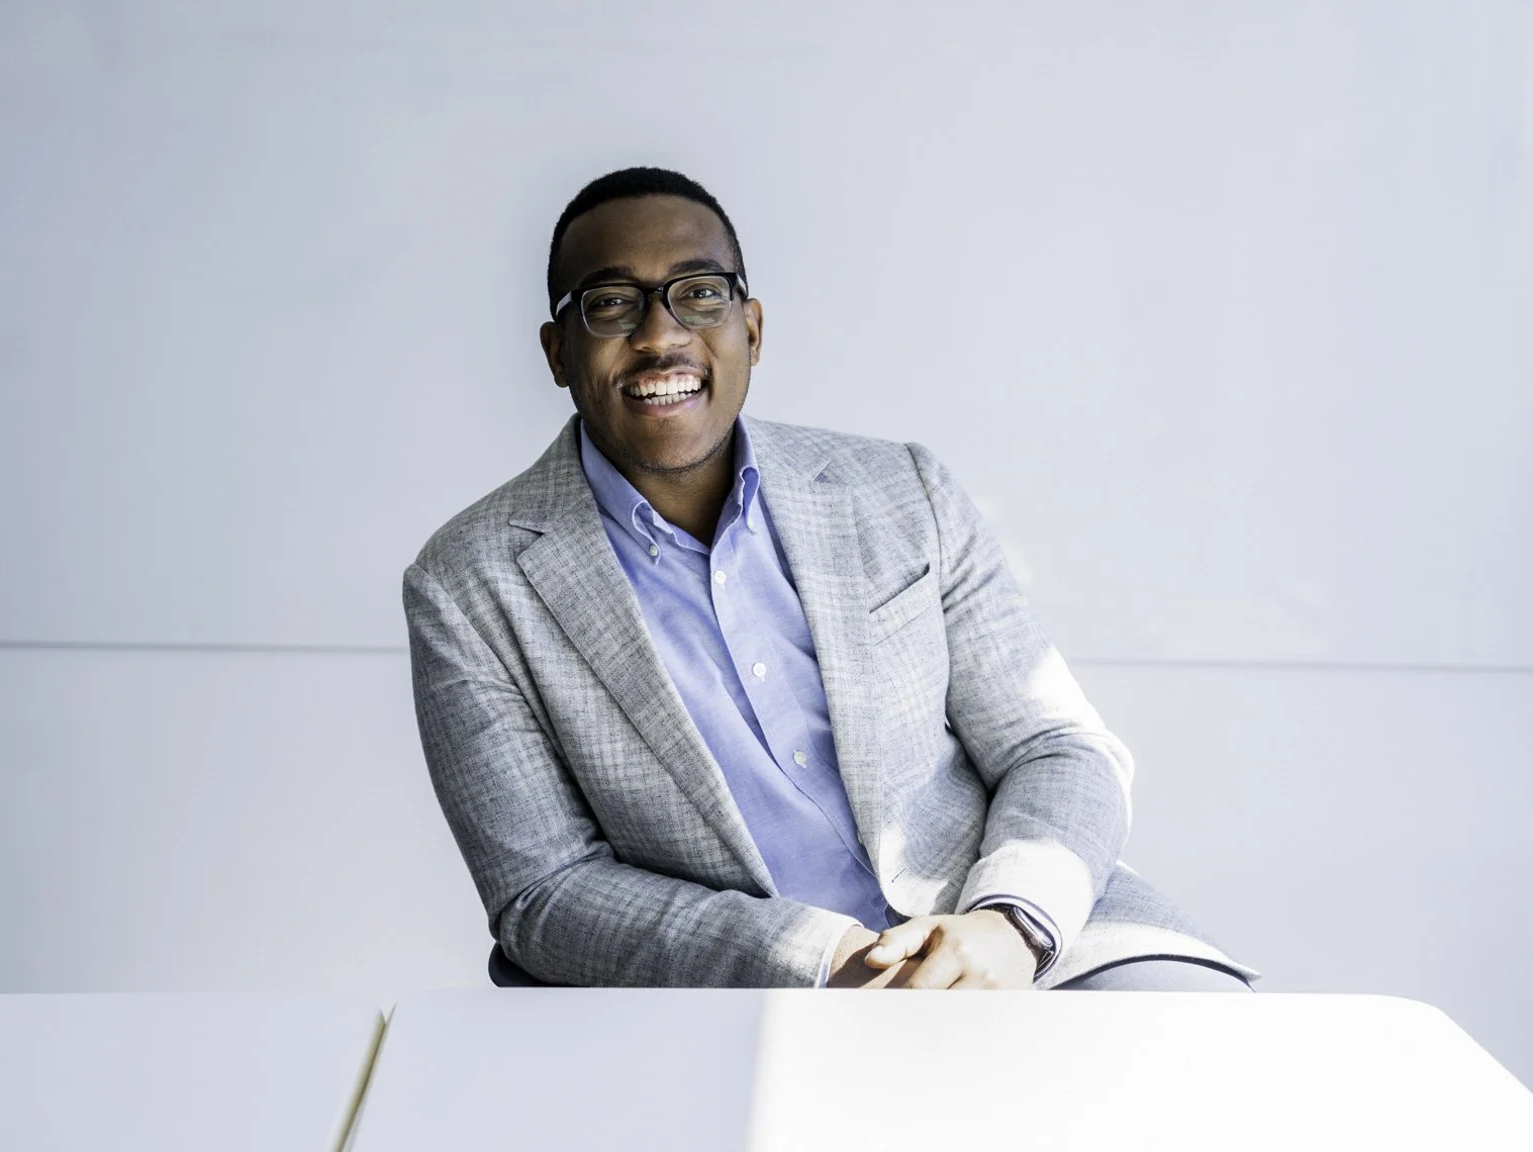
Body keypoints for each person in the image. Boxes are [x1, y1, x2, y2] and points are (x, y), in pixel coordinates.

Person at [404, 166, 1258, 991]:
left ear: (753, 330)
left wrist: (1010, 923)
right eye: (611, 304)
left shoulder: (899, 490)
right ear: (558, 351)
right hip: (742, 988)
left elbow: (1056, 745)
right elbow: (545, 892)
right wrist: (829, 961)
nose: (661, 335)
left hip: (1023, 937)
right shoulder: (470, 582)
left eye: (699, 292)